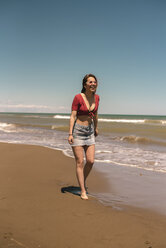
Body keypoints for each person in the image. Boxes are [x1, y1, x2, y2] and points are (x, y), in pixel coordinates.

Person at [68, 74, 100, 200]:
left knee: (91, 161)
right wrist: (70, 133)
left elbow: (96, 114)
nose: (93, 84)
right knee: (80, 162)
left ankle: (82, 180)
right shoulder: (78, 97)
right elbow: (72, 116)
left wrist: (96, 127)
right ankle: (82, 190)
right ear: (85, 84)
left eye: (95, 82)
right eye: (90, 82)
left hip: (90, 131)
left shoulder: (97, 98)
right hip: (78, 131)